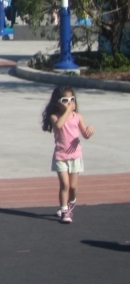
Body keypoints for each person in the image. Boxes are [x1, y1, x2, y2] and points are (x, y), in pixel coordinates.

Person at [42, 86, 94, 224]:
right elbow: (59, 125)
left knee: (73, 187)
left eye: (72, 100)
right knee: (65, 184)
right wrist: (68, 111)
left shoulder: (77, 117)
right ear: (57, 102)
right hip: (61, 156)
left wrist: (90, 130)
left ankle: (71, 203)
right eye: (65, 100)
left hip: (75, 155)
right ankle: (64, 210)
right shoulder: (55, 117)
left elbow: (85, 134)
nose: (69, 103)